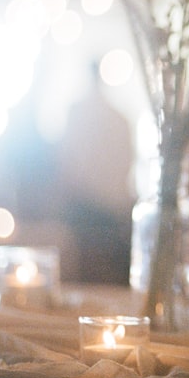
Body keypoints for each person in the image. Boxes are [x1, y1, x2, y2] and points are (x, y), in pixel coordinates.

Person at [57, 62, 134, 284]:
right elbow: (127, 163)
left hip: (84, 208)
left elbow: (67, 162)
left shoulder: (77, 112)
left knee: (85, 273)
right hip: (112, 210)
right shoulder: (121, 118)